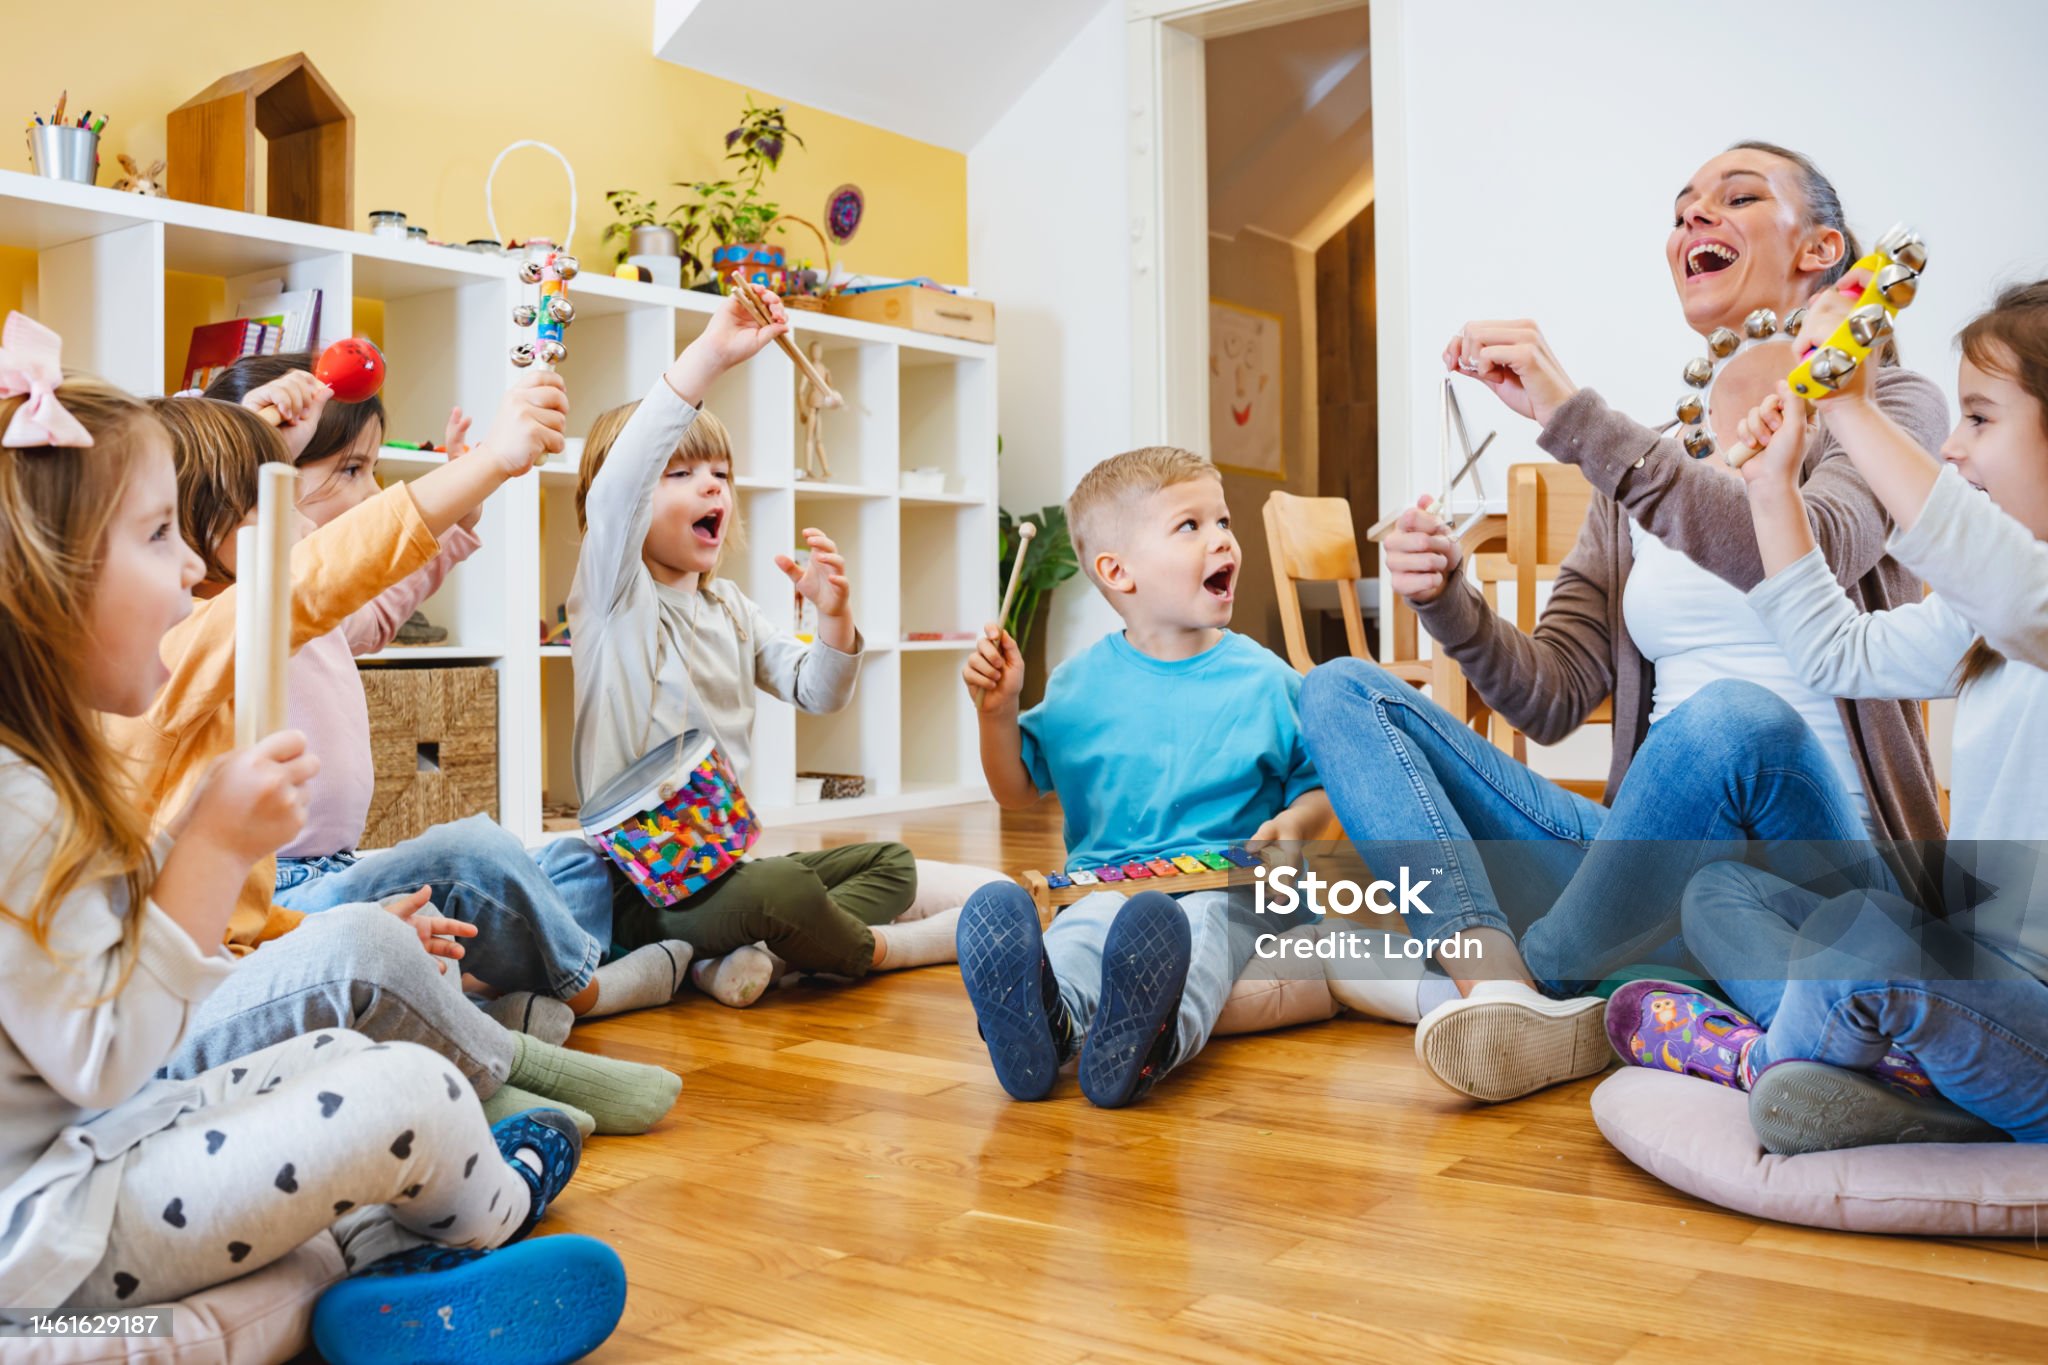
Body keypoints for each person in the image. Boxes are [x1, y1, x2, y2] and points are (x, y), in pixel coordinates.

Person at [1301, 141, 1949, 1103]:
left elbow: (1815, 552)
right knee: (1341, 691)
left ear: (1821, 248)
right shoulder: (1639, 466)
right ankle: (1500, 986)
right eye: (1681, 207)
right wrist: (1448, 598)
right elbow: (1552, 696)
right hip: (1646, 869)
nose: (1694, 219)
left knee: (1734, 720)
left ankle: (1563, 977)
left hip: (1823, 873)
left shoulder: (1885, 407)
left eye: (1735, 197)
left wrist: (1572, 416)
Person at [954, 446, 1331, 1107]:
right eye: (1191, 526)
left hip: (1236, 887)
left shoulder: (1269, 680)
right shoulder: (1075, 687)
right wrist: (998, 712)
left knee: (1204, 929)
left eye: (1223, 521)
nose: (1222, 539)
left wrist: (1293, 826)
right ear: (1117, 571)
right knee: (1077, 934)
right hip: (1108, 886)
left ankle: (1152, 1043)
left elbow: (1321, 783)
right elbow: (1015, 789)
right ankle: (1050, 1023)